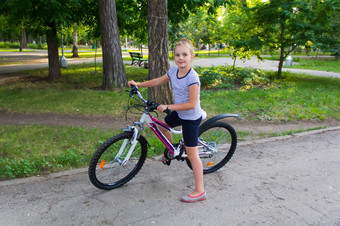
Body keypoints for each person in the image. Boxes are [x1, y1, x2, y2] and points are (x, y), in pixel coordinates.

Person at [128, 38, 206, 203]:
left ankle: (200, 190)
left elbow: (191, 104)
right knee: (162, 126)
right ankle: (172, 151)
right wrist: (139, 84)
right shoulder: (173, 71)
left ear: (191, 57)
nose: (180, 58)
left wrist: (168, 106)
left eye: (185, 54)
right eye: (177, 55)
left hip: (191, 117)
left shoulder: (193, 78)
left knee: (192, 155)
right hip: (180, 112)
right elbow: (158, 81)